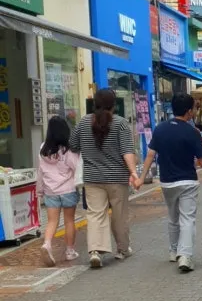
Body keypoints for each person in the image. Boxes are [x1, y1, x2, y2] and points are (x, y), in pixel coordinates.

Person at [138, 93, 202, 273]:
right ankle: (185, 256)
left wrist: (142, 177)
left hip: (167, 182)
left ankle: (173, 251)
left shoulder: (160, 129)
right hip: (188, 181)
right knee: (187, 219)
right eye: (194, 109)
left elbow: (150, 155)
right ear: (189, 111)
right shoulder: (192, 132)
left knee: (173, 217)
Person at [70, 88, 138, 269]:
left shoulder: (83, 122)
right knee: (119, 215)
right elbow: (127, 152)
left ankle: (95, 251)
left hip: (92, 178)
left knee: (95, 214)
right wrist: (133, 172)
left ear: (95, 104)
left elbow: (73, 145)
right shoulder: (121, 124)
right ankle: (122, 249)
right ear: (114, 105)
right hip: (117, 178)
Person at [36, 116, 80, 267]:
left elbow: (40, 171)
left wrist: (40, 190)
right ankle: (70, 251)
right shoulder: (68, 149)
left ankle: (47, 244)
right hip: (68, 190)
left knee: (52, 221)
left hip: (50, 191)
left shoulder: (43, 149)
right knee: (69, 221)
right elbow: (76, 167)